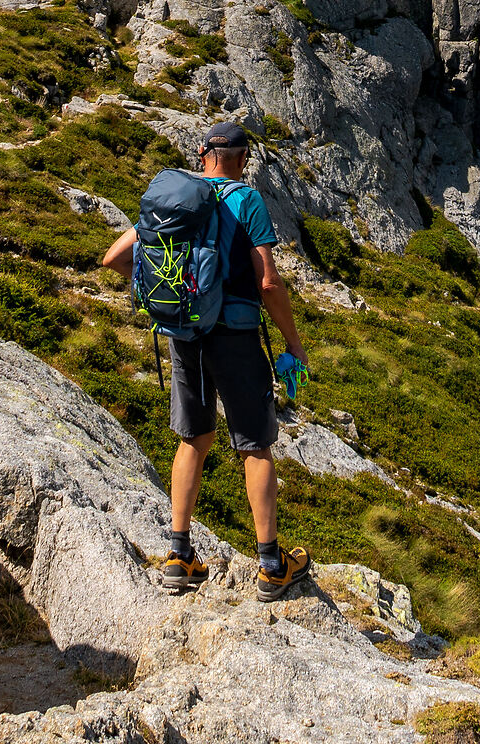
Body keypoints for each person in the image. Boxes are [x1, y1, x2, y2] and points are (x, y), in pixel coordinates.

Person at [100, 119, 313, 600]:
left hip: (184, 335)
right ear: (242, 160)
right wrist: (294, 344)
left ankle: (178, 555)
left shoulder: (178, 201)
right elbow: (268, 283)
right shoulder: (246, 201)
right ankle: (270, 565)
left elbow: (114, 257)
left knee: (193, 437)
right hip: (235, 337)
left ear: (203, 155)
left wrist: (168, 296)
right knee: (254, 444)